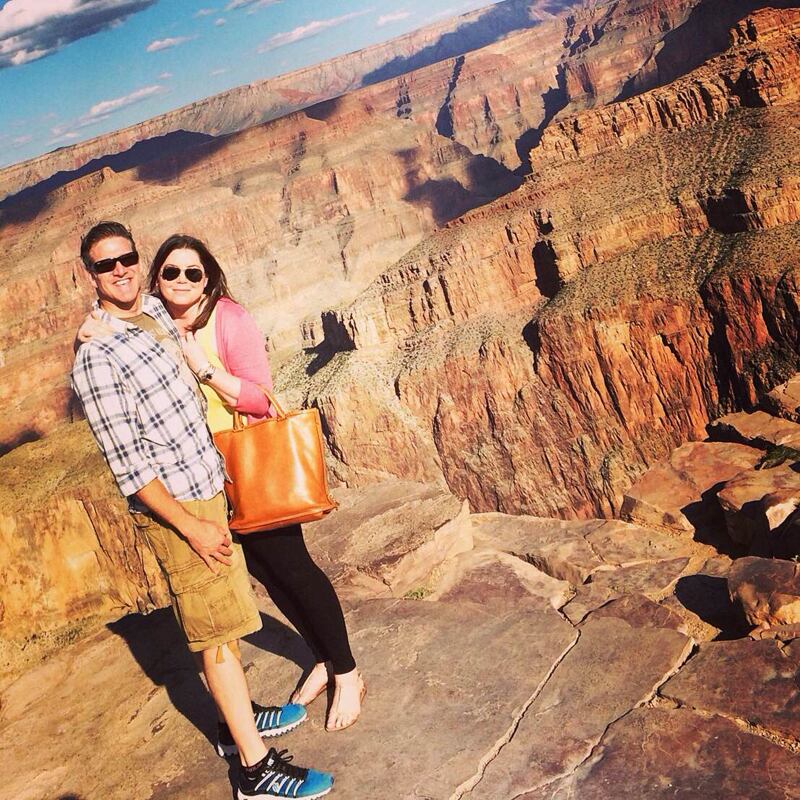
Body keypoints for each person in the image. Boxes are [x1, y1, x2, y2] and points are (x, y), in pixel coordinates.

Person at [72, 221, 333, 800]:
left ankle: (232, 723)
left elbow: (207, 319)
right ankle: (255, 771)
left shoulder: (154, 314)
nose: (119, 270)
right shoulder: (96, 357)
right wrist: (190, 527)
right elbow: (130, 467)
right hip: (180, 508)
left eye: (126, 258)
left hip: (209, 489)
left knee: (225, 623)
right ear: (90, 274)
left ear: (138, 259)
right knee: (216, 636)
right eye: (104, 264)